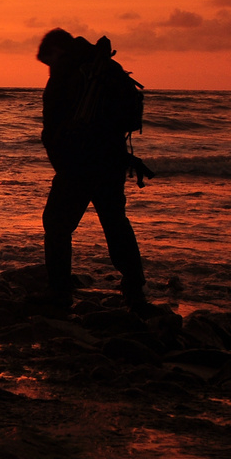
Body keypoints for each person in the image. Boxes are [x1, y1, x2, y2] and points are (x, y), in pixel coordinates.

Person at [35, 28, 147, 310]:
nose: (49, 69)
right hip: (112, 160)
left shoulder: (67, 71)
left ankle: (59, 291)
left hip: (78, 162)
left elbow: (53, 122)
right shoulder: (105, 67)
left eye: (48, 62)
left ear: (57, 51)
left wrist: (60, 161)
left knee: (57, 225)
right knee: (115, 222)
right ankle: (135, 286)